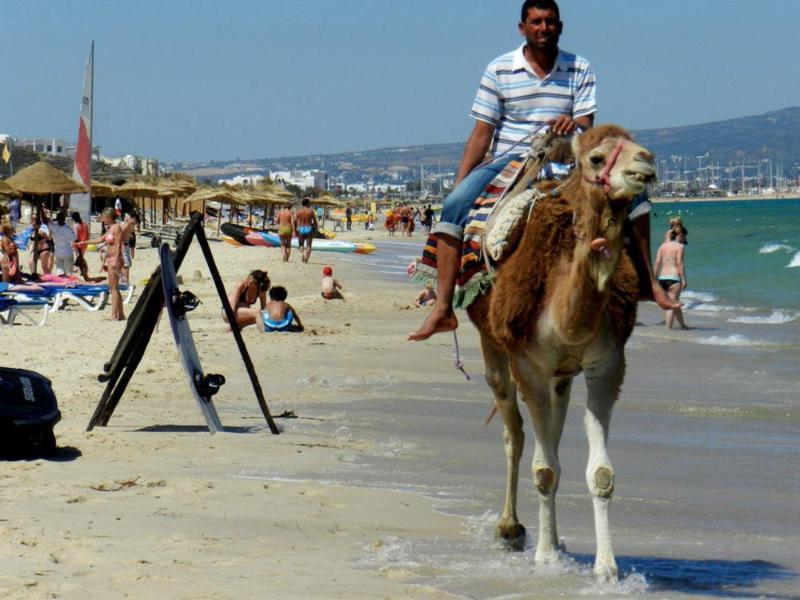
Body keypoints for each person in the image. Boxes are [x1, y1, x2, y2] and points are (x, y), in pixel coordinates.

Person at [410, 0, 675, 341]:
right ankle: (443, 308)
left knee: (636, 193)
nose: (543, 28)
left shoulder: (579, 67)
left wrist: (572, 123)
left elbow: (586, 125)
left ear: (560, 27)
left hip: (568, 158)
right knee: (453, 207)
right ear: (522, 27)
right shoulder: (499, 69)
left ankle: (648, 283)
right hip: (512, 160)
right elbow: (482, 134)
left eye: (550, 21)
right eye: (536, 22)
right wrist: (462, 183)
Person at [76, 207, 125, 320]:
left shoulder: (117, 228)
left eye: (103, 217)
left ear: (108, 217)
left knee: (113, 288)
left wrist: (115, 260)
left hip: (115, 259)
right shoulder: (111, 228)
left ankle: (114, 315)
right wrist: (84, 242)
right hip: (112, 258)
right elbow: (99, 240)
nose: (102, 219)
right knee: (114, 287)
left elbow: (118, 245)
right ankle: (121, 314)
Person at [654, 225, 689, 330]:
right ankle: (668, 330)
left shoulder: (662, 246)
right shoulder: (680, 246)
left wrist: (653, 278)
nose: (685, 239)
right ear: (680, 235)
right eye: (684, 237)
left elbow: (657, 263)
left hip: (662, 278)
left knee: (674, 302)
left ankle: (683, 326)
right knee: (671, 306)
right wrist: (683, 279)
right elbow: (680, 263)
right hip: (673, 278)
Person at [50, 211, 76, 277]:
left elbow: (45, 221)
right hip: (67, 252)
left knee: (60, 274)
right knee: (68, 274)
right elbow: (75, 239)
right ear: (64, 219)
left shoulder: (54, 226)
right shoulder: (68, 229)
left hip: (58, 252)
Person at [294, 198, 318, 263]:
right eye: (309, 203)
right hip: (309, 228)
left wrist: (295, 230)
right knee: (309, 245)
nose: (310, 204)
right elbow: (315, 222)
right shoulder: (310, 211)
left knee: (301, 244)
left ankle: (302, 254)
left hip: (301, 228)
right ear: (307, 203)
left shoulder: (299, 211)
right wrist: (316, 229)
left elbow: (295, 221)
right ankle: (306, 259)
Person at [120, 212, 141, 284]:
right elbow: (120, 233)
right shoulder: (127, 224)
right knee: (126, 264)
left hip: (125, 245)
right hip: (123, 246)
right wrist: (121, 244)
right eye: (136, 222)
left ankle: (124, 281)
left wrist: (129, 235)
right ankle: (125, 282)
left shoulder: (128, 224)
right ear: (134, 219)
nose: (135, 224)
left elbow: (124, 233)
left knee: (125, 264)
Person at [71, 211, 91, 280]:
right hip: (84, 243)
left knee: (80, 258)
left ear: (73, 218)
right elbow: (88, 234)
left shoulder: (75, 225)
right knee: (81, 258)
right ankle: (81, 270)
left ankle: (83, 271)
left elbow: (75, 237)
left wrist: (74, 244)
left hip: (78, 245)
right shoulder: (85, 223)